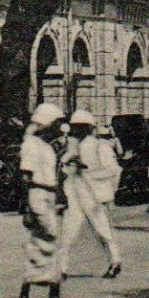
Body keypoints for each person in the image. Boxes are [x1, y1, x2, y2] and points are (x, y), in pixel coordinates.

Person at [17, 102, 75, 298]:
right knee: (51, 241)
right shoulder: (31, 144)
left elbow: (54, 174)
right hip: (38, 195)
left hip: (48, 194)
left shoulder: (46, 146)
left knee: (43, 244)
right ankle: (49, 293)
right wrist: (27, 209)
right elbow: (25, 177)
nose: (59, 128)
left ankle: (40, 294)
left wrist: (60, 195)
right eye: (56, 124)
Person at [59, 109, 124, 279]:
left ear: (88, 128)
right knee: (67, 231)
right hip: (74, 193)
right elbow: (65, 168)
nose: (77, 130)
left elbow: (113, 170)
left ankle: (115, 260)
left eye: (81, 127)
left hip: (92, 194)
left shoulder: (99, 146)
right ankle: (61, 268)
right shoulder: (71, 147)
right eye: (75, 127)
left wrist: (91, 175)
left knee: (102, 229)